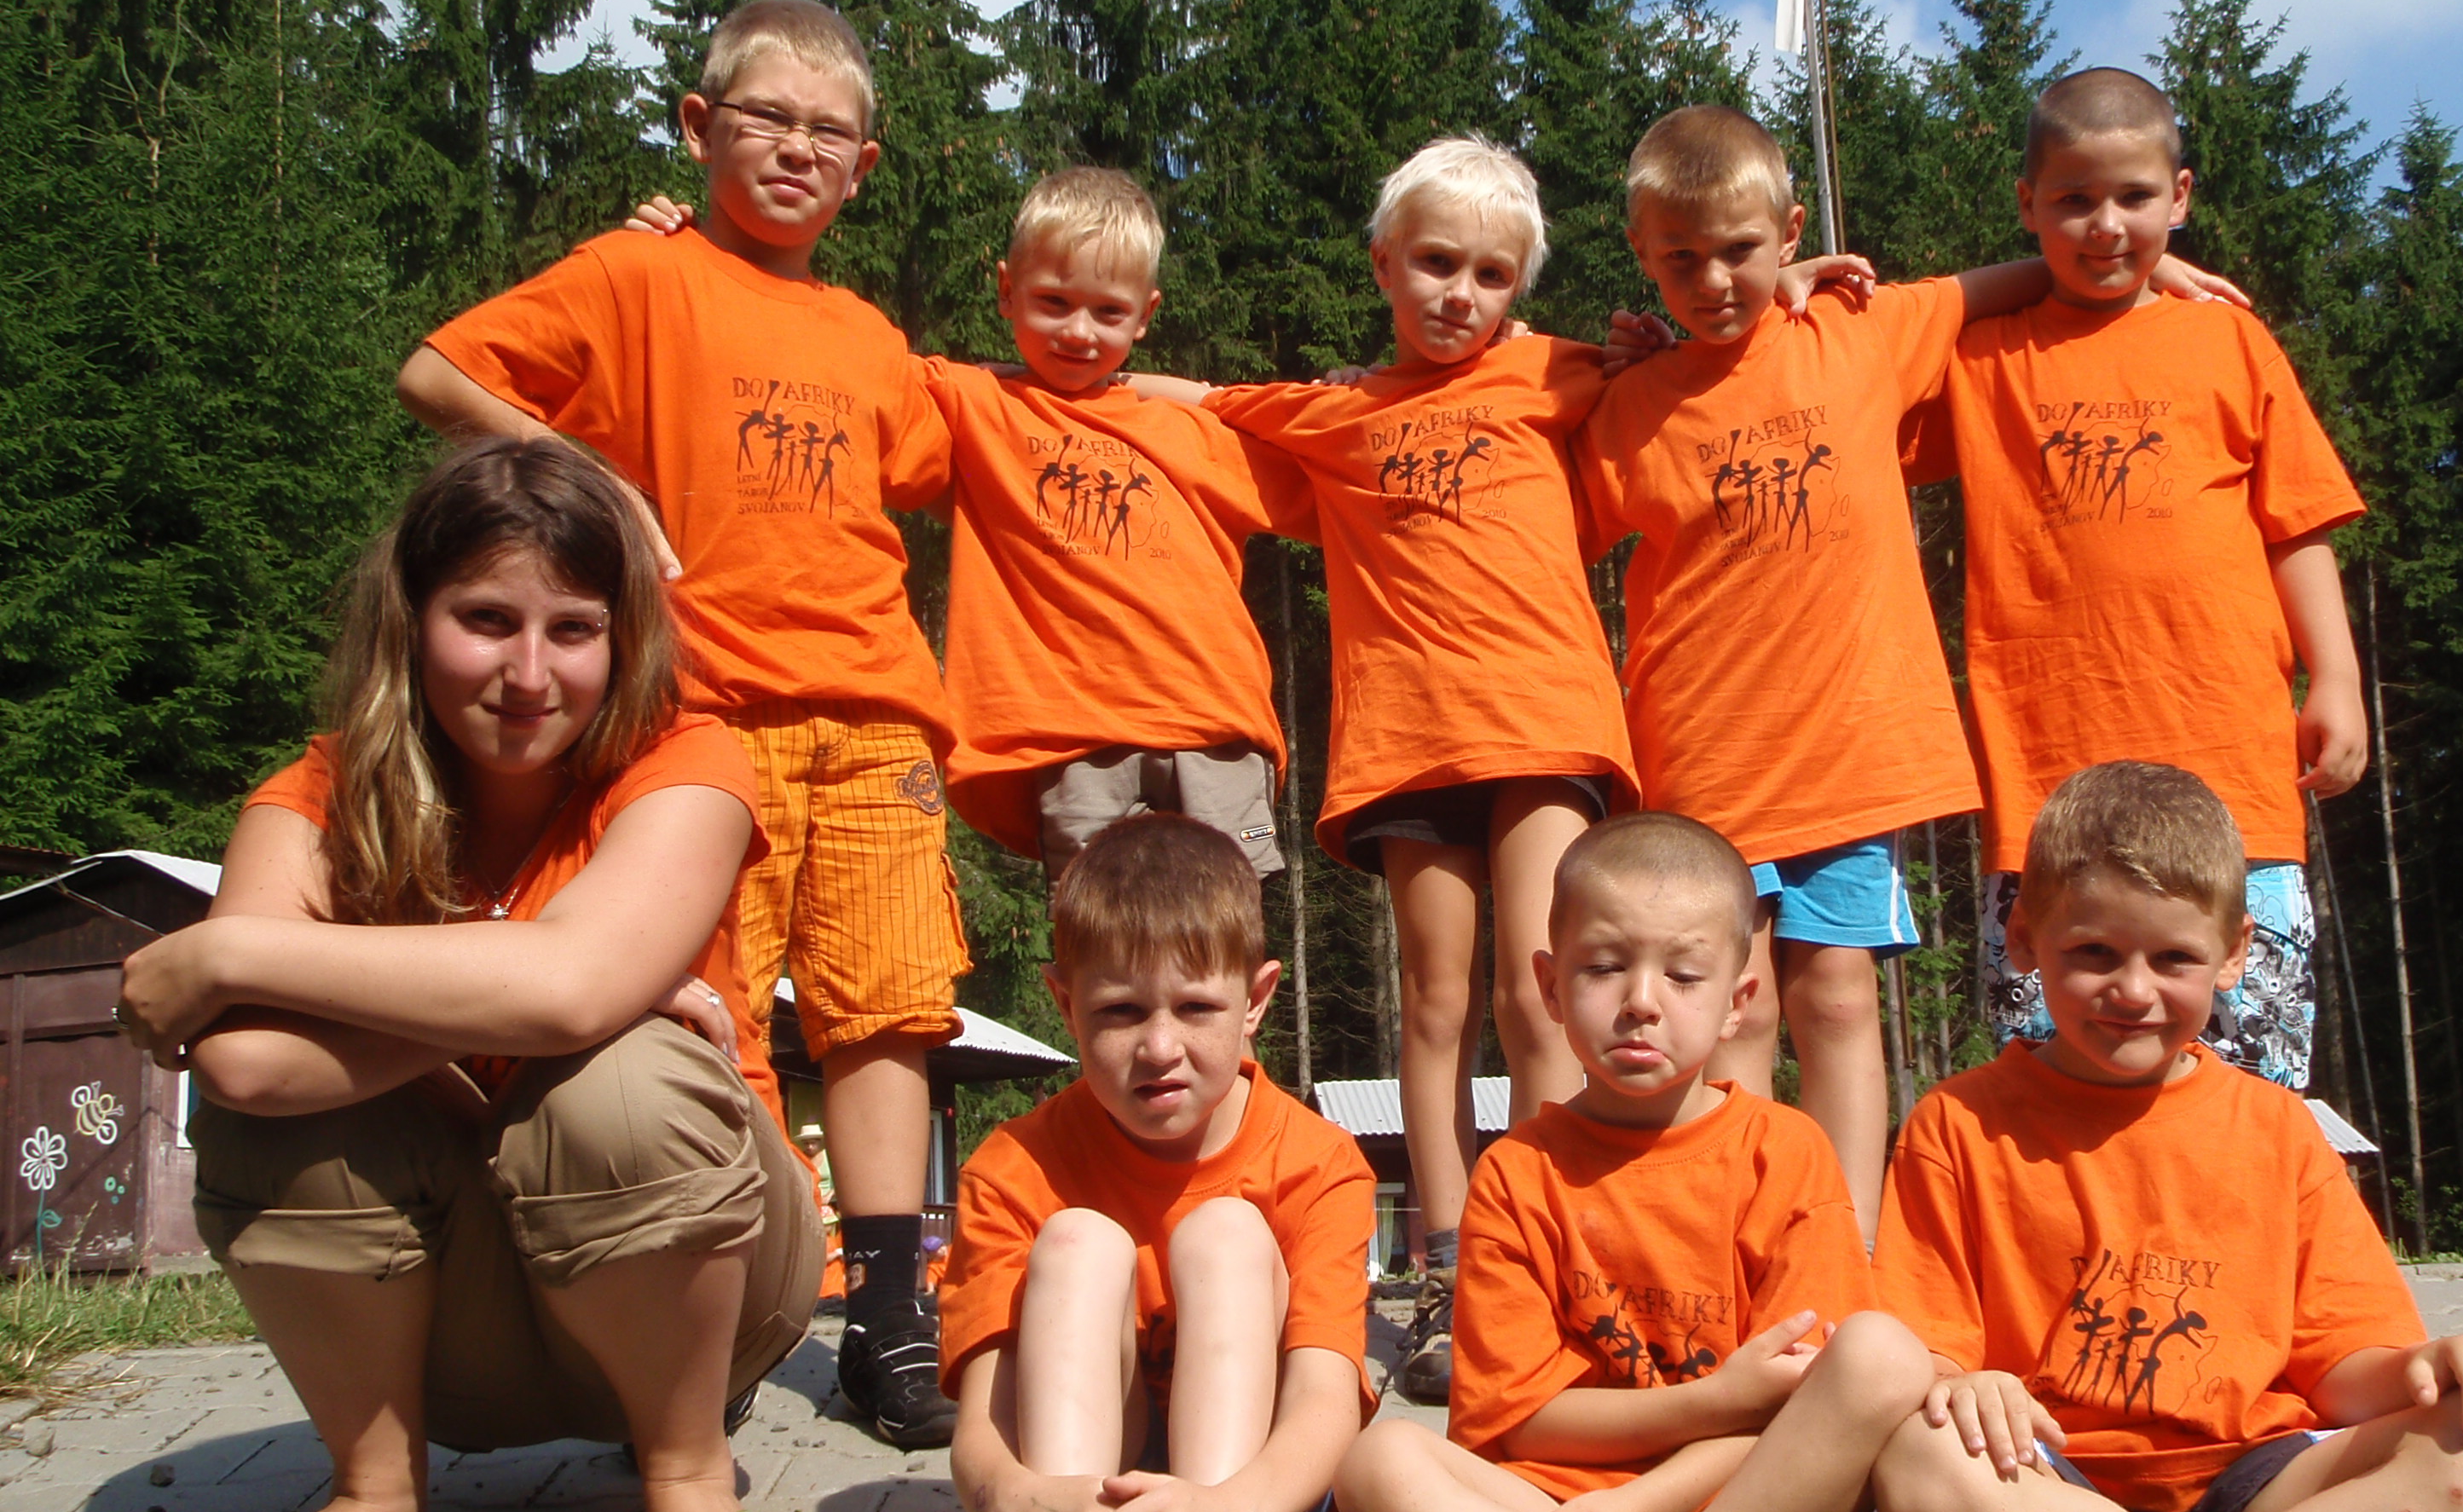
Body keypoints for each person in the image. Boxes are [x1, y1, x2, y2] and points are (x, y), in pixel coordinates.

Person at [119, 437, 825, 1512]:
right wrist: (543, 998)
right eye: (486, 619)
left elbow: (570, 994)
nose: (529, 674)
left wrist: (234, 954)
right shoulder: (315, 799)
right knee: (292, 1108)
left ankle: (685, 1471)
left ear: (623, 640)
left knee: (617, 1076)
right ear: (412, 618)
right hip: (441, 1327)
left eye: (574, 630)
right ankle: (374, 1494)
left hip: (711, 1293)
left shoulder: (687, 762)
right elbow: (245, 1070)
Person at [394, 0, 968, 1449]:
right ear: (698, 127)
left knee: (886, 1009)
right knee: (714, 1006)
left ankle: (888, 1317)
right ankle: (747, 1301)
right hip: (701, 714)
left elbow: (964, 450)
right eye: (764, 117)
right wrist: (585, 471)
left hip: (878, 710)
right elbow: (438, 371)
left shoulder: (868, 333)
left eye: (828, 132)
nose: (796, 148)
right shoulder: (634, 274)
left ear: (863, 170)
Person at [1581, 106, 2240, 1238]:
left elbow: (1998, 288)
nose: (1715, 280)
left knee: (1838, 997)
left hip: (1851, 758)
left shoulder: (1857, 333)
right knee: (1731, 1016)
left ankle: (1847, 1248)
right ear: (1641, 254)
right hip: (1701, 760)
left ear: (1792, 232)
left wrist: (2147, 269)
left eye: (1740, 249)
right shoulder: (1629, 405)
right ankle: (1741, 1243)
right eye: (1680, 259)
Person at [1868, 762, 2463, 1512]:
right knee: (1919, 1465)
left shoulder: (2277, 1129)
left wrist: (2430, 1367)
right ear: (2023, 940)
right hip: (2053, 1491)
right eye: (2093, 953)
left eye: (2174, 958)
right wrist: (1960, 1384)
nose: (2133, 991)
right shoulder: (1957, 1124)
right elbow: (1926, 1350)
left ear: (2234, 955)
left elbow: (2343, 1366)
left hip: (2254, 1483)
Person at [1132, 137, 1638, 1405]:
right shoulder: (1338, 412)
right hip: (1410, 738)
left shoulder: (1556, 373)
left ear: (1520, 288)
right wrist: (1048, 369)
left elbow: (1686, 358)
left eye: (1490, 275)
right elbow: (1194, 401)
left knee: (1542, 992)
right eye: (1435, 265)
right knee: (1435, 1002)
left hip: (1546, 723)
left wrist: (1790, 282)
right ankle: (1451, 1267)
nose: (1460, 294)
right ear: (1384, 266)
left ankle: (1548, 1253)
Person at [1333, 812, 1938, 1512]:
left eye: (1684, 976)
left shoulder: (1784, 1153)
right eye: (1605, 968)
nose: (1641, 1004)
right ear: (1549, 986)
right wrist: (1710, 1402)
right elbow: (1518, 1421)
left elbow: (1811, 1411)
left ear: (1741, 1000)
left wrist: (1647, 1505)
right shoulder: (1518, 1172)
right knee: (1377, 1460)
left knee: (1879, 1352)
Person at [629, 166, 1303, 883]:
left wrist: (1345, 383)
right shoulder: (969, 404)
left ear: (1145, 315)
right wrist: (699, 260)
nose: (1078, 331)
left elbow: (1347, 476)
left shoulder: (1197, 434)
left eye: (1109, 313)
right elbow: (819, 358)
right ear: (1007, 291)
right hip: (1073, 738)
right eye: (1053, 302)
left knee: (1232, 911)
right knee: (1098, 921)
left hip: (1220, 728)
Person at [1903, 68, 2368, 1090]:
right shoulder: (1982, 359)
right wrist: (2028, 274)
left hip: (2234, 783)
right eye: (2073, 199)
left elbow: (2297, 522)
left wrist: (2336, 675)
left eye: (2134, 197)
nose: (2106, 225)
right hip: (2051, 793)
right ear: (2026, 204)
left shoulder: (2230, 338)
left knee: (2252, 1097)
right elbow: (1847, 366)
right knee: (2054, 1097)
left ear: (2181, 196)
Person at [941, 816, 1373, 1512]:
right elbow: (980, 1434)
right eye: (1121, 1012)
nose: (1160, 1047)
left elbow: (1326, 1404)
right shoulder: (1012, 1168)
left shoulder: (1319, 1163)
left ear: (1257, 1000)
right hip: (1072, 1511)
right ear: (1065, 1003)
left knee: (1225, 1229)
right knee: (1077, 1239)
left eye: (1196, 1007)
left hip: (1258, 1498)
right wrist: (1021, 1507)